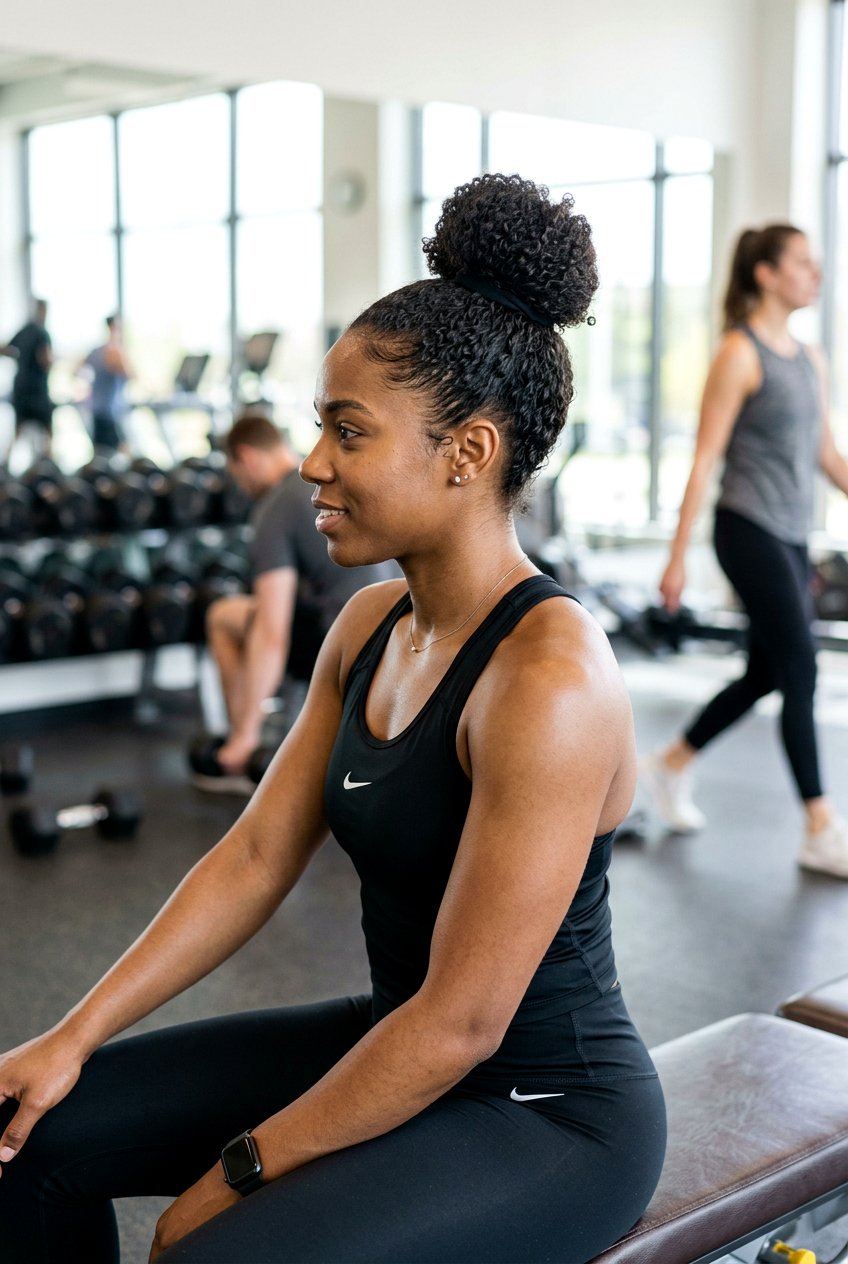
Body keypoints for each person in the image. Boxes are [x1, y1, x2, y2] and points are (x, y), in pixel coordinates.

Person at [0, 174, 666, 1264]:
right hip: (394, 1038)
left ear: (468, 452)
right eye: (318, 426)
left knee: (210, 1254)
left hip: (542, 1107)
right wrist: (72, 1036)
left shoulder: (548, 678)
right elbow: (257, 851)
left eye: (347, 432)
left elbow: (462, 1023)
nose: (311, 461)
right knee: (23, 1133)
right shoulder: (367, 626)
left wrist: (242, 1166)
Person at [642, 223, 848, 878]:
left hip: (791, 533)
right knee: (801, 665)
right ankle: (820, 826)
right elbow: (704, 460)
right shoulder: (739, 352)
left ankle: (668, 766)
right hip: (745, 526)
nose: (814, 274)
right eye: (802, 263)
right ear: (765, 273)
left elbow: (825, 456)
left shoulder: (808, 358)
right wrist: (676, 557)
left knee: (767, 671)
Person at [198, 410, 396, 791]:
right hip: (391, 632)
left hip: (341, 641)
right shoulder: (327, 484)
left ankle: (244, 738)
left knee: (223, 615)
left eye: (236, 473)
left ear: (248, 458)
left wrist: (245, 741)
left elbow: (272, 630)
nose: (239, 485)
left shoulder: (275, 509)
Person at [0, 297, 54, 456]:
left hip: (20, 390)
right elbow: (45, 360)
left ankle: (5, 467)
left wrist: (22, 356)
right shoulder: (42, 333)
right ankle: (47, 464)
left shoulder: (24, 331)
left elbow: (6, 349)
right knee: (48, 431)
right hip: (37, 391)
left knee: (18, 432)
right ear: (43, 311)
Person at [81, 314, 133, 452]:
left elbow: (78, 369)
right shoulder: (114, 352)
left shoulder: (96, 351)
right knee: (120, 450)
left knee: (102, 452)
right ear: (114, 328)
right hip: (109, 412)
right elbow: (131, 375)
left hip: (98, 410)